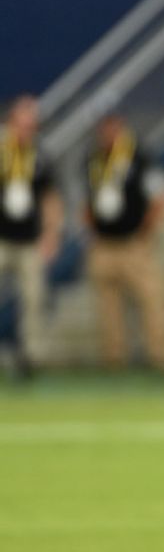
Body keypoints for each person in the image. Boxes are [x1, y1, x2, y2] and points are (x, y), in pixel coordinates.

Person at [83, 114, 164, 369]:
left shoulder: (139, 156)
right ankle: (114, 360)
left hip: (134, 244)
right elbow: (87, 199)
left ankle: (161, 358)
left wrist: (147, 232)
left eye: (113, 129)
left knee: (153, 300)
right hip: (104, 244)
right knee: (108, 308)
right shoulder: (93, 158)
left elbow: (161, 196)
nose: (108, 135)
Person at [0, 94, 62, 381]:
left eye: (32, 123)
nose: (28, 128)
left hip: (28, 240)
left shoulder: (39, 154)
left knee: (34, 299)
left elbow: (50, 198)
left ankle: (31, 359)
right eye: (24, 121)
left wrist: (51, 235)